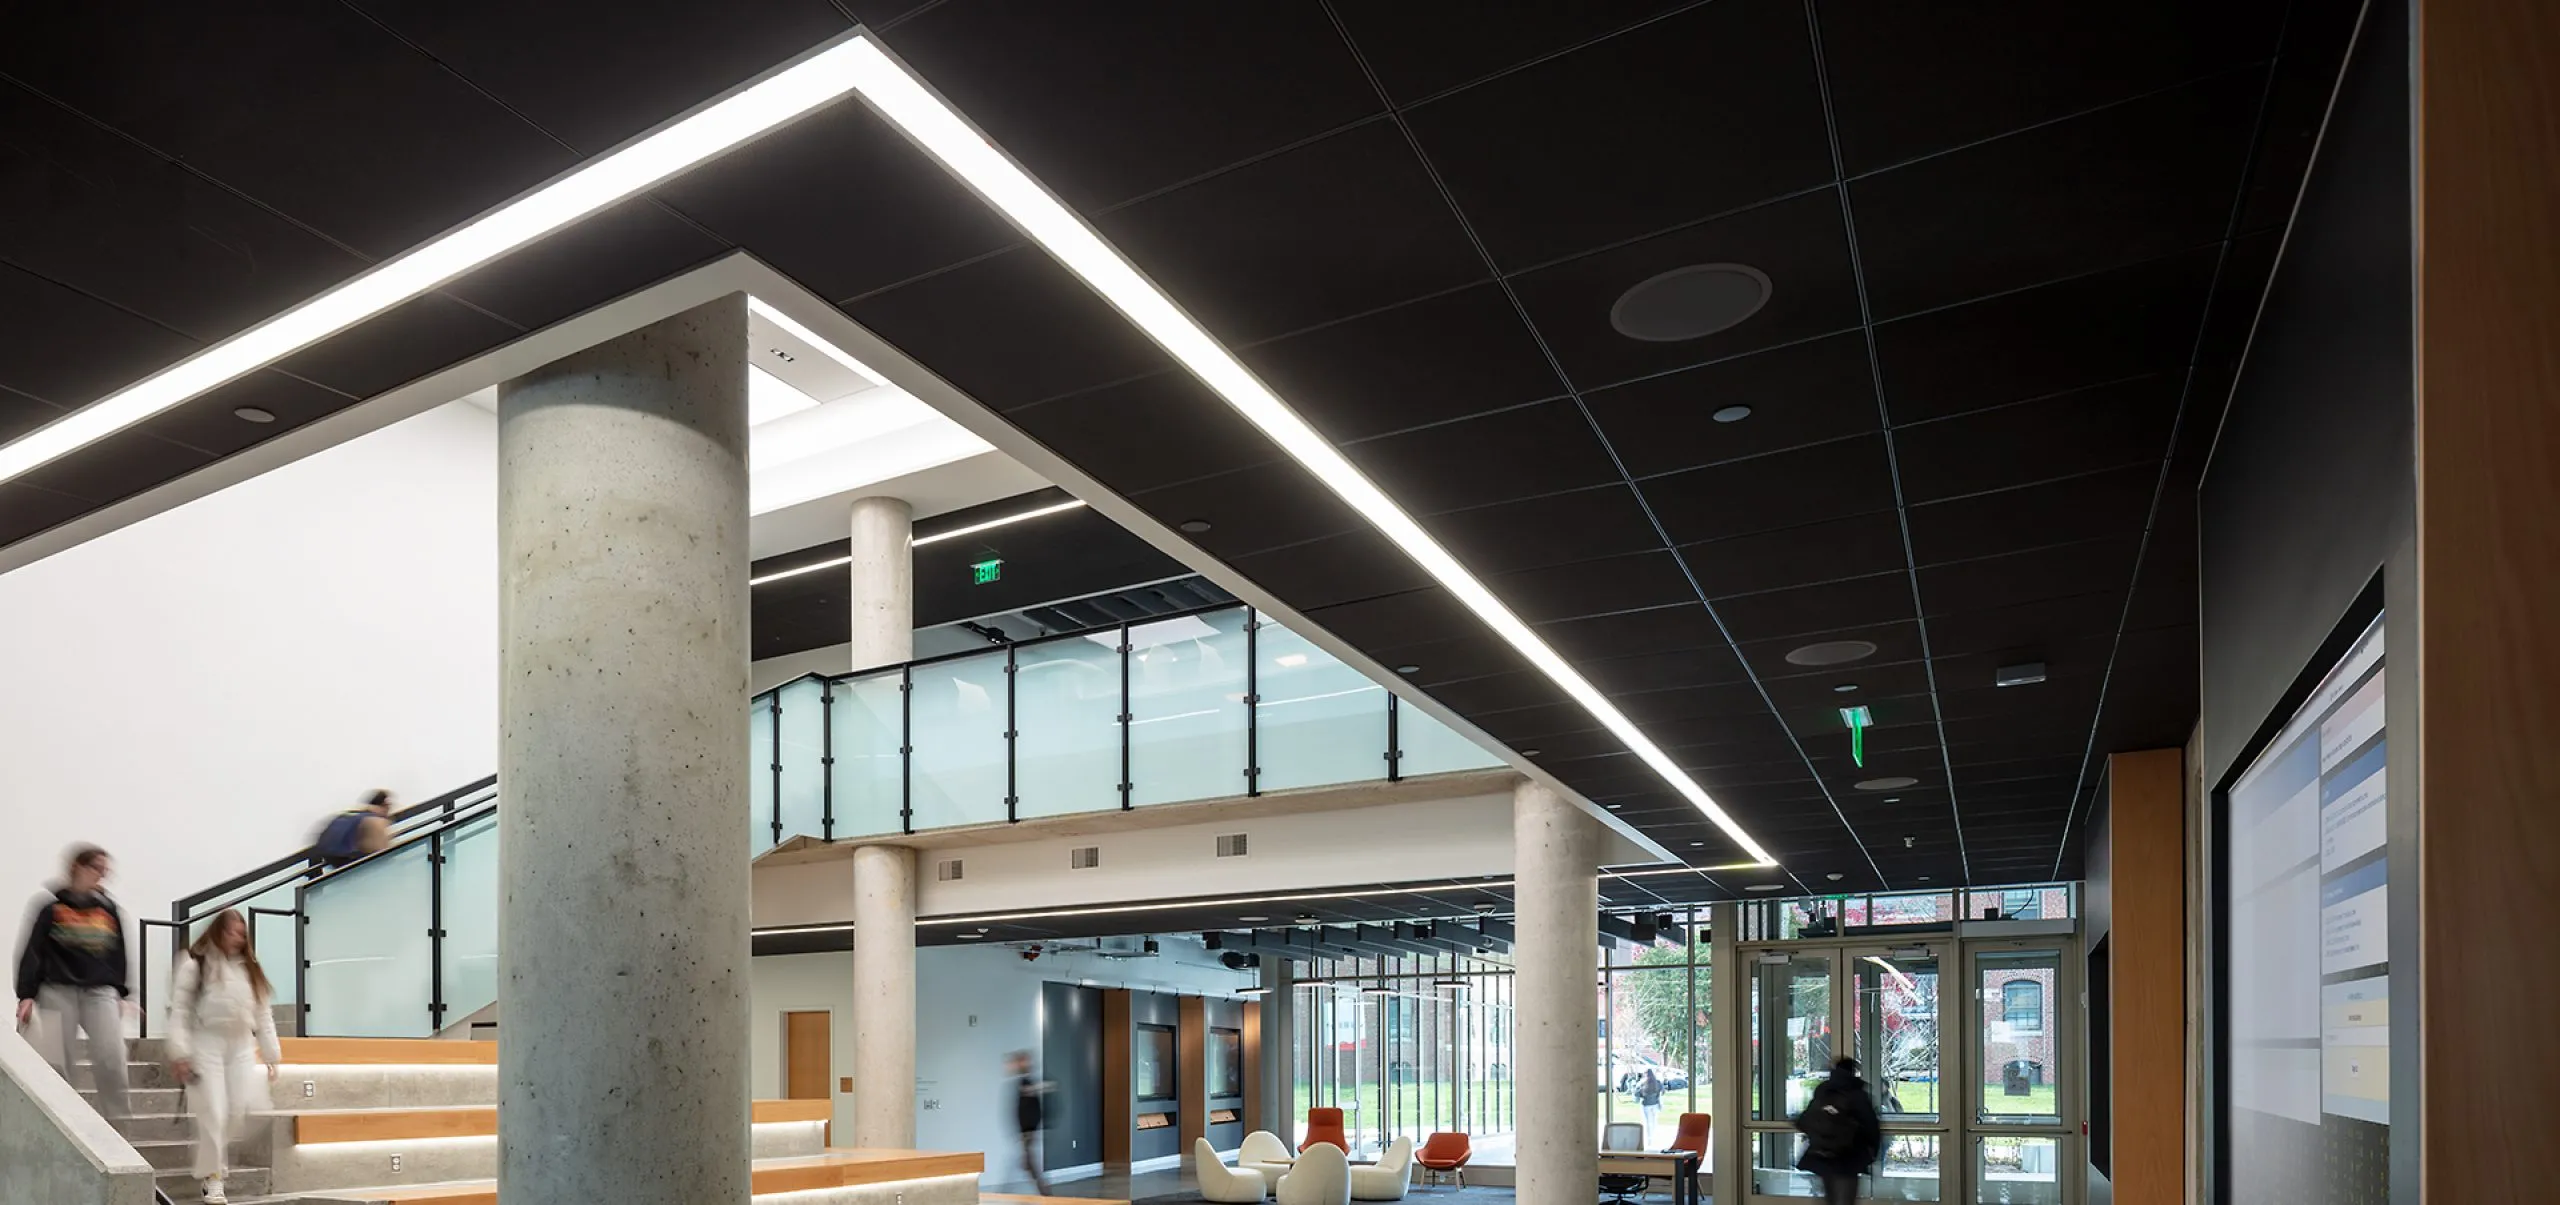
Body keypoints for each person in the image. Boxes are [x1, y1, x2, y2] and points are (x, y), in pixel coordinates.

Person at [168, 909, 281, 1205]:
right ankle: (214, 1178)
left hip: (242, 1045)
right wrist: (180, 1053)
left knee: (236, 1111)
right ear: (218, 930)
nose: (236, 936)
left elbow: (263, 1014)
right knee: (214, 1113)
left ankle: (213, 1163)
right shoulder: (194, 964)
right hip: (207, 1044)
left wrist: (272, 1054)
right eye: (231, 930)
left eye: (241, 932)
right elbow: (179, 1011)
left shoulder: (250, 969)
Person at [14, 845, 133, 1119]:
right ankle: (66, 1129)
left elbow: (119, 953)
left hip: (99, 991)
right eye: (97, 869)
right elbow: (32, 951)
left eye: (105, 872)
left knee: (112, 1060)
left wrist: (122, 992)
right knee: (59, 1064)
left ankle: (120, 1135)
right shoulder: (50, 908)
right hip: (57, 989)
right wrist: (26, 994)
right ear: (78, 867)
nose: (101, 876)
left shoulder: (108, 910)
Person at [1795, 1057, 1883, 1205]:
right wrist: (1872, 1152)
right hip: (1849, 1157)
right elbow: (1870, 1125)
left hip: (1824, 1156)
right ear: (1853, 1072)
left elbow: (1807, 1119)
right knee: (1846, 1199)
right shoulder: (1857, 1093)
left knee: (1830, 1198)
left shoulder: (1823, 1090)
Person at [315, 790, 395, 867]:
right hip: (348, 858)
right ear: (384, 805)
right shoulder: (374, 819)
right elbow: (382, 852)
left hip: (330, 857)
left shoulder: (351, 814)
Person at [1009, 1050, 1051, 1196]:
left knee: (1029, 1163)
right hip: (1026, 1131)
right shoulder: (1023, 1083)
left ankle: (1045, 1192)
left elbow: (1032, 1110)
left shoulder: (1027, 1084)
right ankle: (1043, 1190)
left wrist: (1027, 1131)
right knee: (1028, 1163)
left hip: (1028, 1131)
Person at [1637, 1066, 1663, 1134]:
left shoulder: (1643, 1083)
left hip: (1646, 1104)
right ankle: (1654, 1133)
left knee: (1648, 1121)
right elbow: (1661, 1092)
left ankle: (1649, 1136)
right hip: (1655, 1104)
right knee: (1654, 1120)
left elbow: (1638, 1093)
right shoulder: (1657, 1082)